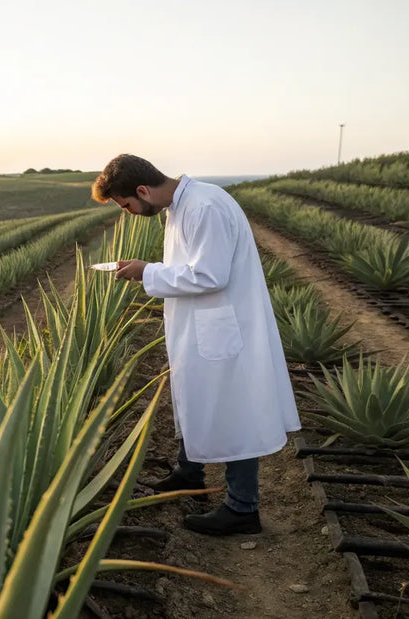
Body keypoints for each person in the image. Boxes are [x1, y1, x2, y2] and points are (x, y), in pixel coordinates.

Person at [91, 154, 300, 536]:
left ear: (142, 190)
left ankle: (242, 509)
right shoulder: (182, 206)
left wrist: (146, 271)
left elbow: (210, 275)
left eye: (126, 205)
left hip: (223, 331)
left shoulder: (203, 207)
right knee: (200, 397)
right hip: (206, 327)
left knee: (234, 413)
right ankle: (189, 474)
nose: (129, 213)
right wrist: (148, 270)